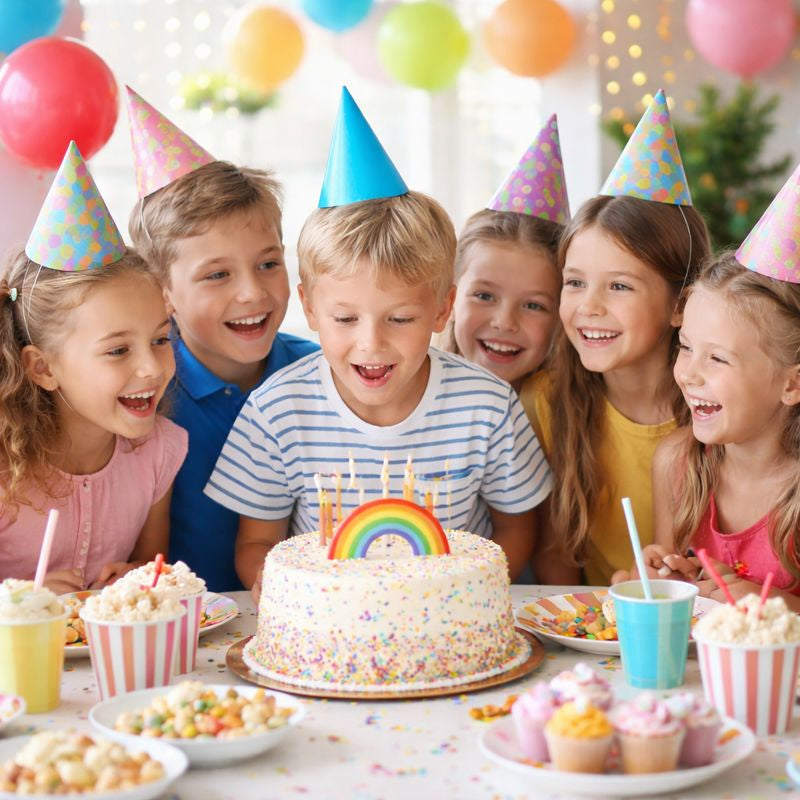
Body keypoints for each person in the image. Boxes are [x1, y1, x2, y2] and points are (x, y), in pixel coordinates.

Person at [204, 88, 552, 596]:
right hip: (328, 627)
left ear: (441, 309)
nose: (372, 343)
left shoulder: (487, 406)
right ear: (309, 308)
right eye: (345, 318)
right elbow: (256, 543)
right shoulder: (277, 410)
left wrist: (473, 591)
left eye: (400, 318)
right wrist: (287, 594)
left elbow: (517, 528)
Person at [126, 88, 317, 592]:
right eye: (217, 276)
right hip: (185, 633)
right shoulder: (140, 396)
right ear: (162, 291)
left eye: (268, 264)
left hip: (307, 623)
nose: (253, 292)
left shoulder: (325, 376)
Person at [521, 90, 711, 586]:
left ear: (680, 305)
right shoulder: (546, 403)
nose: (589, 306)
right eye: (575, 281)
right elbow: (555, 555)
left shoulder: (717, 412)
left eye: (620, 286)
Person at [0, 143, 186, 593]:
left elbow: (150, 567)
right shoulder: (6, 470)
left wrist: (135, 580)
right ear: (43, 368)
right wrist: (25, 603)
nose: (151, 367)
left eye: (160, 339)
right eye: (117, 351)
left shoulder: (158, 453)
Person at [613, 166, 800, 610]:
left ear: (792, 382)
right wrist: (671, 578)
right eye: (685, 347)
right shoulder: (678, 464)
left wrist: (780, 607)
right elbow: (689, 594)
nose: (689, 374)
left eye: (717, 358)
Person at [442, 115, 568, 392]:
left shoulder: (561, 414)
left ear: (561, 317)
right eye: (484, 296)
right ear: (450, 298)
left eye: (534, 305)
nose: (504, 322)